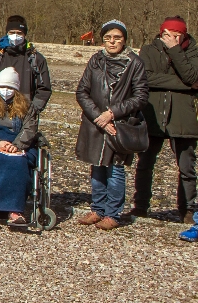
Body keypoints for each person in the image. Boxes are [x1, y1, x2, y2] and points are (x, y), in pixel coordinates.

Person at [75, 20, 149, 231]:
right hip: (95, 124)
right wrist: (98, 116)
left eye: (117, 38)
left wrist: (112, 114)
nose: (112, 42)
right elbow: (82, 91)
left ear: (124, 39)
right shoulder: (96, 60)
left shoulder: (135, 63)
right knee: (97, 167)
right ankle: (97, 209)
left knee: (114, 170)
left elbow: (141, 97)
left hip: (120, 124)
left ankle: (113, 213)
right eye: (108, 38)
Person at [134, 17, 197, 233]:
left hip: (184, 116)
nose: (173, 38)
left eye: (178, 35)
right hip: (153, 114)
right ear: (162, 33)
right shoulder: (149, 50)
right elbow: (146, 78)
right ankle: (140, 206)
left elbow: (192, 74)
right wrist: (187, 85)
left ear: (185, 35)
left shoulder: (193, 51)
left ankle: (187, 209)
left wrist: (176, 51)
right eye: (169, 34)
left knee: (187, 166)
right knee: (145, 163)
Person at [0, 67, 41, 228]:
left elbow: (30, 129)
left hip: (20, 142)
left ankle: (15, 211)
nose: (6, 91)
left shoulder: (28, 106)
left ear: (16, 89)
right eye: (3, 87)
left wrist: (17, 146)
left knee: (18, 163)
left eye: (10, 88)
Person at [0, 15, 52, 114]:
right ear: (7, 33)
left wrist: (34, 109)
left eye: (19, 33)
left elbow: (44, 88)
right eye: (12, 32)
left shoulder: (37, 59)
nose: (15, 36)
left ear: (24, 34)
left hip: (26, 112)